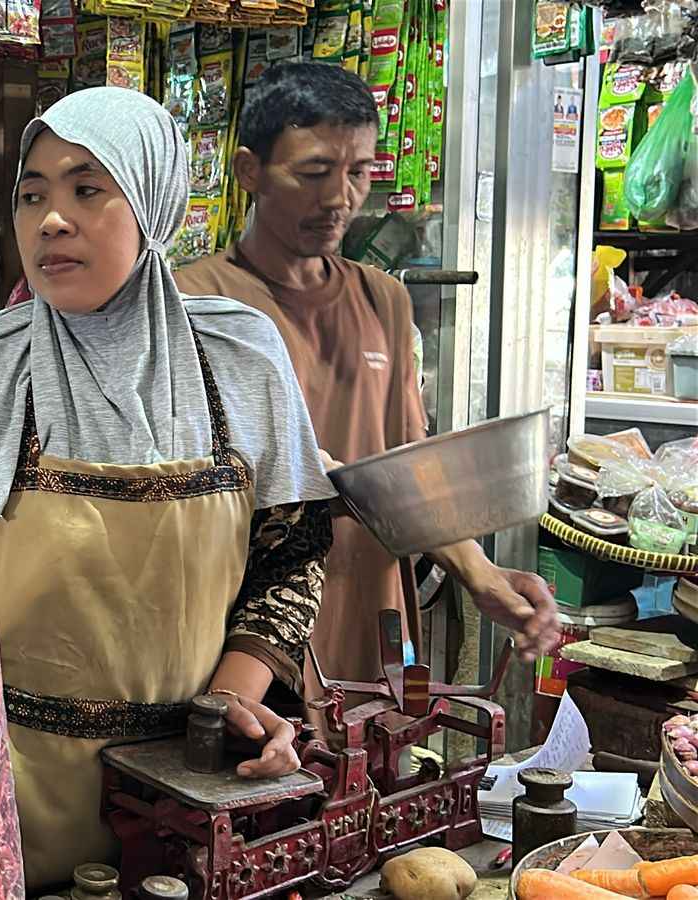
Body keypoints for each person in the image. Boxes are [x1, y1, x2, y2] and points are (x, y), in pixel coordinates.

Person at [0, 87, 337, 892]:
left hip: (195, 790)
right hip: (4, 793)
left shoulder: (241, 361)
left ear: (153, 203)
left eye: (87, 188)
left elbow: (292, 553)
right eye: (32, 195)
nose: (51, 220)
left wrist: (228, 710)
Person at [173, 63, 561, 690]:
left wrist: (482, 575)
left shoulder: (384, 299)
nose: (340, 199)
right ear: (248, 172)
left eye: (358, 173)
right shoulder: (197, 303)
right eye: (315, 173)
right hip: (243, 638)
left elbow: (412, 474)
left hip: (371, 623)